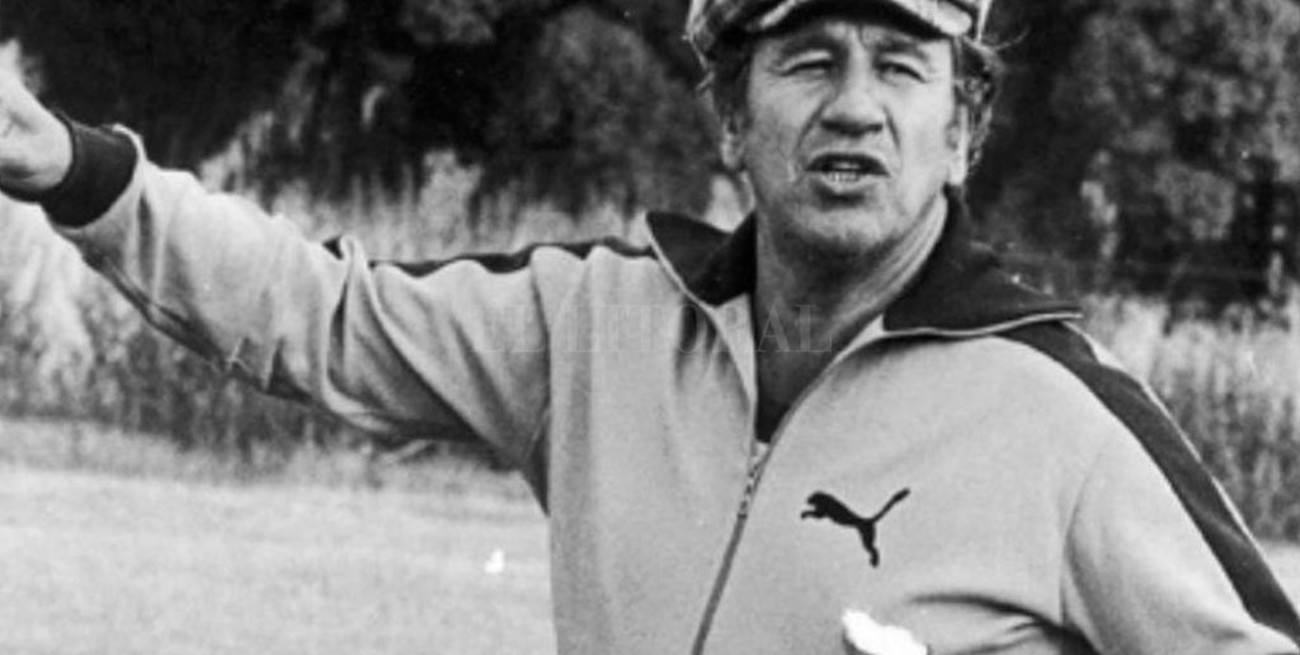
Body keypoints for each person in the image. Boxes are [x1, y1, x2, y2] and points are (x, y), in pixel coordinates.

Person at [1, 0, 1298, 653]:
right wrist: (75, 168)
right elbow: (326, 317)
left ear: (962, 128)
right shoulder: (593, 326)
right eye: (809, 59)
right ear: (731, 115)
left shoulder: (1064, 418)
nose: (855, 106)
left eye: (901, 65)